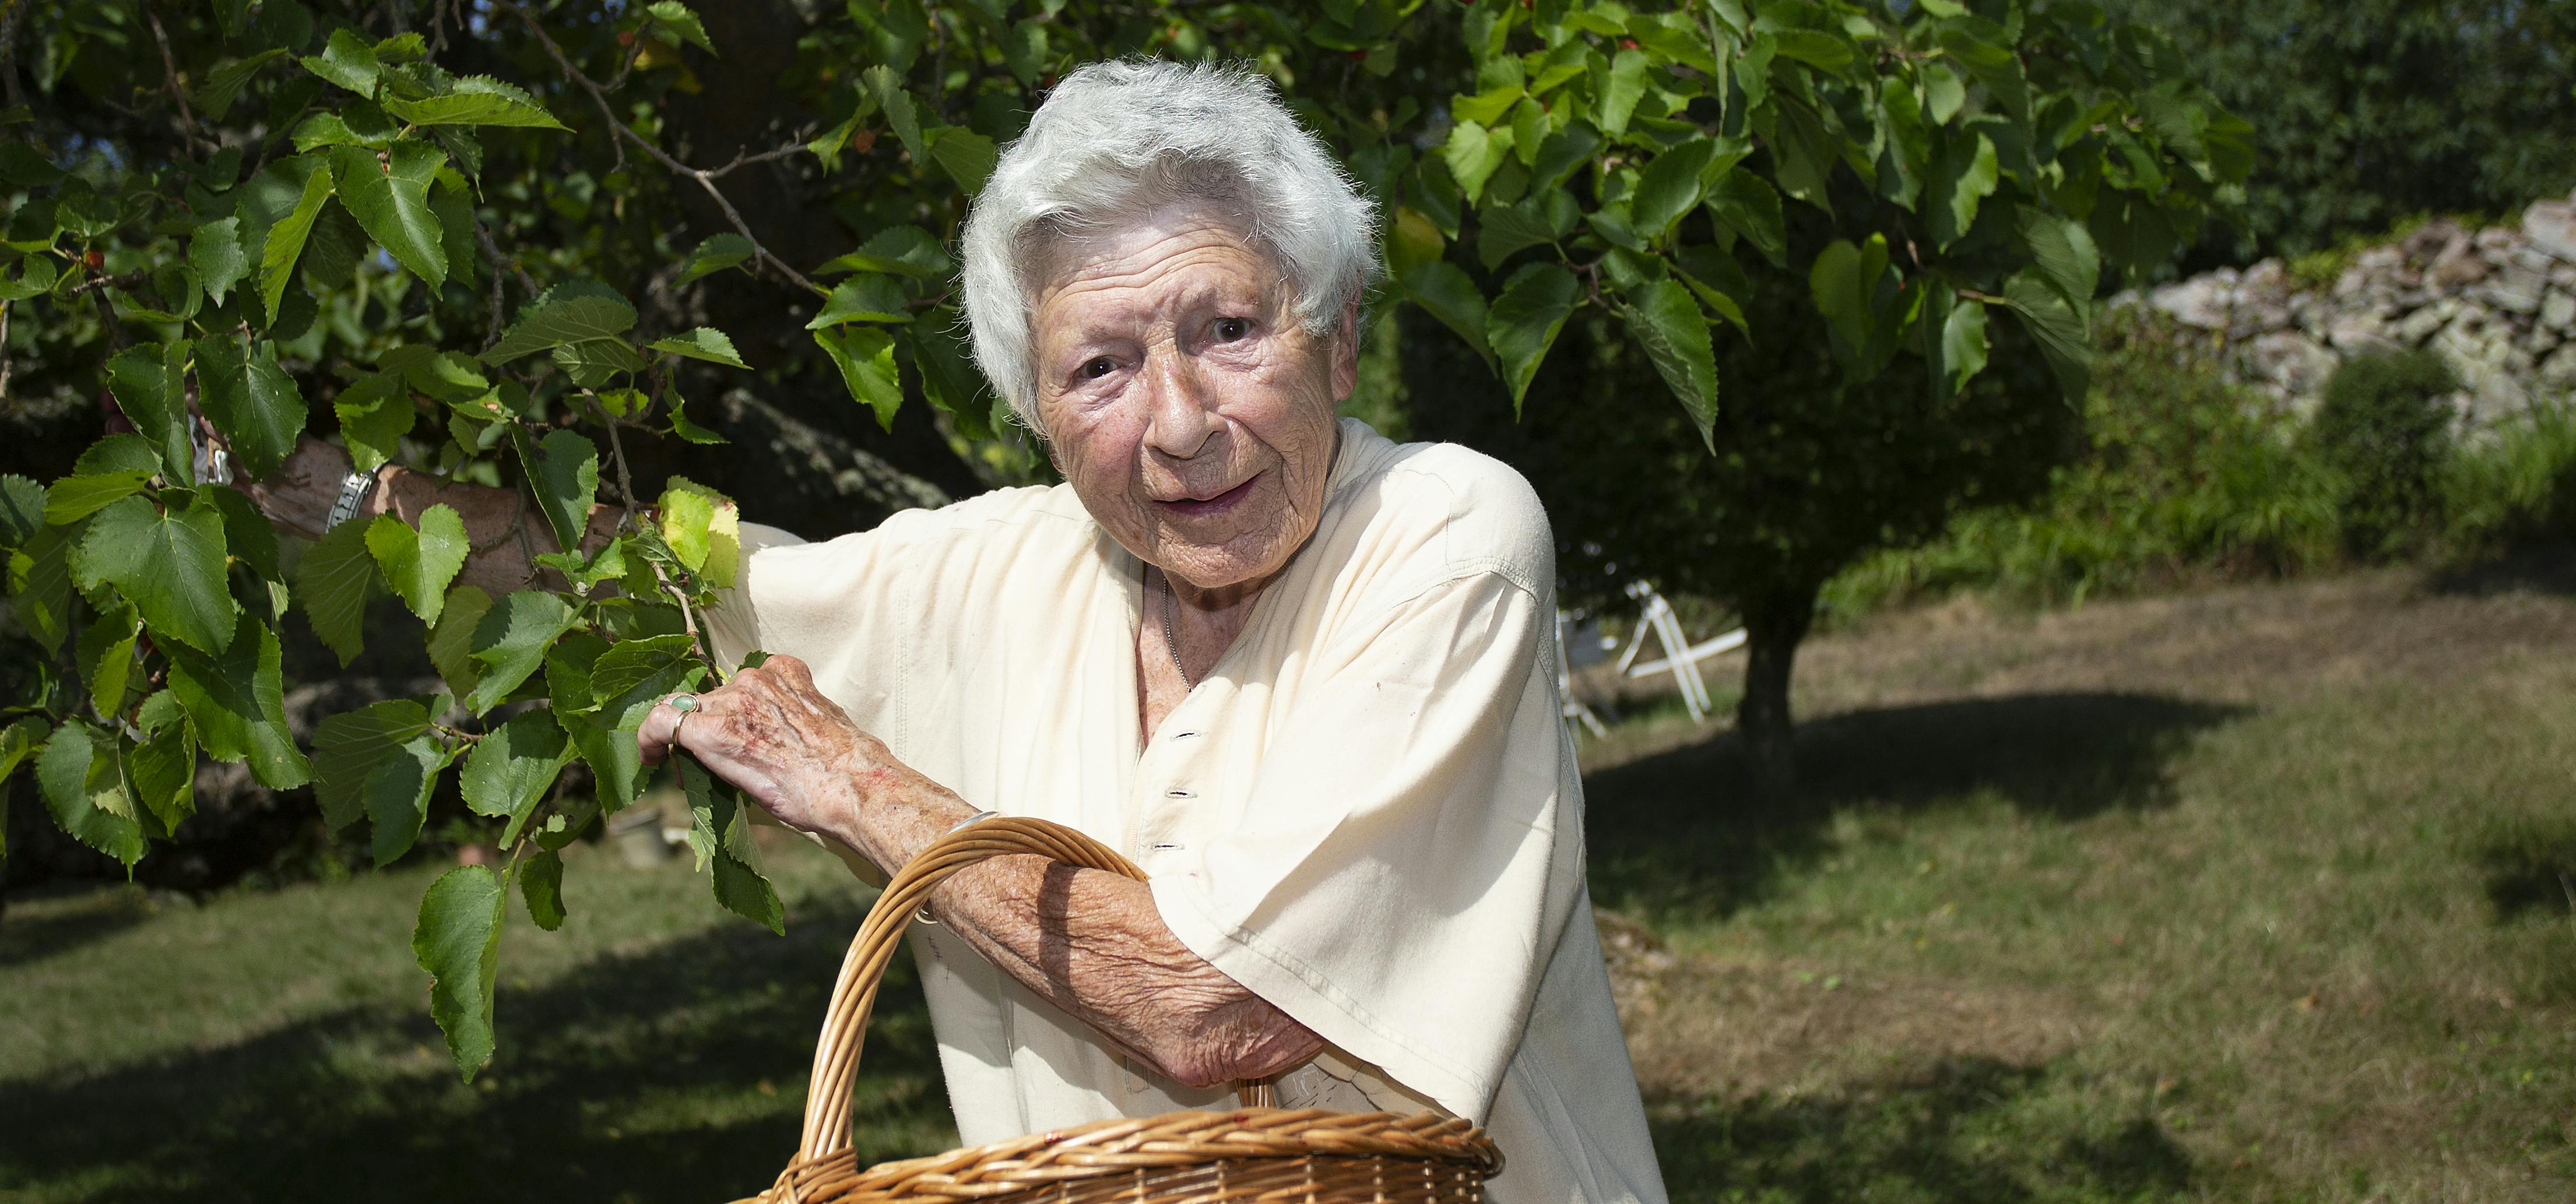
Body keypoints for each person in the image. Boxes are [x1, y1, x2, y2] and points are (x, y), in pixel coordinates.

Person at [242, 60, 1667, 1204]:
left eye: (1228, 328)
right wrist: (325, 490)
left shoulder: (1445, 534)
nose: (1177, 424)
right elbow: (654, 582)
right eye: (1098, 367)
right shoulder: (1013, 566)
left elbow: (1213, 1008)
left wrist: (853, 785)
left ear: (1338, 340)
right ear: (1039, 417)